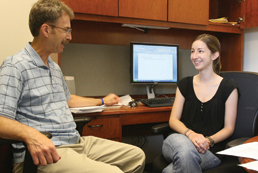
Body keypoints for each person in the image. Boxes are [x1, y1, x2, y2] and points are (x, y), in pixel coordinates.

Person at [0, 0, 145, 172]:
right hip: (46, 152)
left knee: (135, 157)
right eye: (66, 30)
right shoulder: (15, 66)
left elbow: (68, 100)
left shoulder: (53, 67)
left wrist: (102, 100)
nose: (70, 37)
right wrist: (32, 136)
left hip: (75, 142)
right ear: (46, 30)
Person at [162, 34, 238, 173]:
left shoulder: (228, 88)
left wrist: (208, 141)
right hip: (179, 140)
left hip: (209, 150)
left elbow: (229, 128)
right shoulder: (184, 84)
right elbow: (173, 120)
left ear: (214, 55)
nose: (194, 56)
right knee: (185, 149)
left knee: (170, 171)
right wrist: (191, 135)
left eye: (200, 51)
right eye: (192, 51)